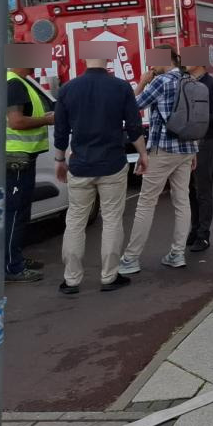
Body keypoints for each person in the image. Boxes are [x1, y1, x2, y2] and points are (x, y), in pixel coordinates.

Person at [54, 42, 147, 295]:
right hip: (112, 164)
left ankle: (71, 280)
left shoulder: (67, 89)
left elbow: (61, 131)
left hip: (80, 164)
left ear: (84, 60)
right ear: (108, 60)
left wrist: (60, 160)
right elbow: (134, 126)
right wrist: (142, 154)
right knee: (112, 220)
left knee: (74, 221)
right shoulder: (120, 87)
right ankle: (109, 276)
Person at [120, 50, 198, 273]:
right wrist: (194, 153)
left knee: (146, 203)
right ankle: (177, 254)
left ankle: (131, 259)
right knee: (181, 201)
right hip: (187, 149)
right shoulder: (190, 80)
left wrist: (142, 82)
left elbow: (132, 107)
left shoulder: (160, 82)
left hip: (162, 149)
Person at [4, 44, 55, 283]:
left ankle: (15, 258)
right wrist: (47, 120)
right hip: (16, 158)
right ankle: (11, 266)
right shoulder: (14, 83)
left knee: (20, 212)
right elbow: (16, 122)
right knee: (14, 213)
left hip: (21, 157)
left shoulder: (18, 82)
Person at [184, 47, 213, 253]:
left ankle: (204, 234)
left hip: (204, 141)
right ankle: (194, 228)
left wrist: (198, 116)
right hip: (188, 140)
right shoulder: (186, 84)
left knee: (202, 188)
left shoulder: (212, 87)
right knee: (189, 188)